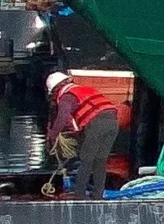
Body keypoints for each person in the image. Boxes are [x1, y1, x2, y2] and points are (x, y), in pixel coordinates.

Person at [45, 70, 130, 199]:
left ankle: (79, 196)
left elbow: (62, 117)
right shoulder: (84, 90)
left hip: (97, 123)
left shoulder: (66, 96)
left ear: (57, 88)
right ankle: (98, 195)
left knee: (86, 160)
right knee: (100, 161)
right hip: (113, 122)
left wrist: (53, 134)